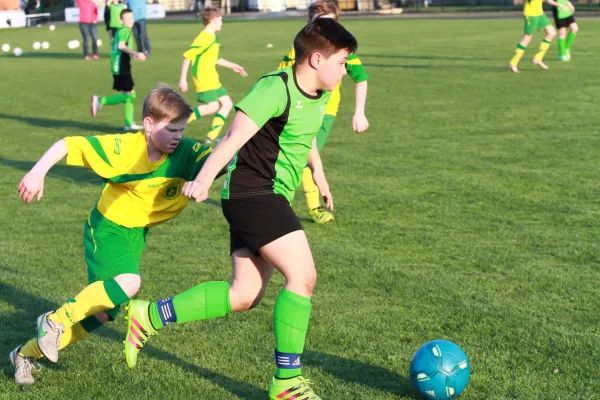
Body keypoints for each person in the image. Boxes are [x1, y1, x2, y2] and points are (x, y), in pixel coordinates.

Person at [123, 18, 358, 400]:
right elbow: (234, 136)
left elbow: (306, 134)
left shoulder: (315, 93)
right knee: (304, 277)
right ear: (317, 59)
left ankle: (149, 316)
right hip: (254, 194)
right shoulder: (275, 87)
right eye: (342, 62)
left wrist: (319, 174)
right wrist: (203, 178)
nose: (344, 69)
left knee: (244, 294)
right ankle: (287, 383)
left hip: (269, 195)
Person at [9, 86, 218, 385]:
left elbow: (224, 159)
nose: (178, 136)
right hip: (107, 228)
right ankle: (54, 321)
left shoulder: (184, 152)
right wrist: (37, 172)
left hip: (135, 234)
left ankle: (25, 355)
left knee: (105, 313)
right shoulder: (124, 149)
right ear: (147, 124)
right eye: (171, 129)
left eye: (182, 129)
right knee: (130, 283)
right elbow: (68, 143)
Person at [277, 0, 369, 224]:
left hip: (323, 111)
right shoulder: (297, 50)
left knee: (305, 156)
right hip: (294, 110)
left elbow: (361, 78)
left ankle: (312, 207)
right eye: (320, 22)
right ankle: (279, 203)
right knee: (292, 157)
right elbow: (281, 78)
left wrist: (359, 112)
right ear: (309, 24)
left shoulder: (342, 50)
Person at [179, 7, 247, 145]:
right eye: (221, 20)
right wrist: (182, 79)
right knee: (212, 106)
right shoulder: (204, 38)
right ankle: (181, 119)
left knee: (227, 104)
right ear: (214, 20)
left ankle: (211, 137)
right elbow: (187, 56)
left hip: (212, 77)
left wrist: (233, 65)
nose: (222, 23)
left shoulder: (212, 37)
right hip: (203, 77)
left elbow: (215, 59)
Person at [91, 9, 146, 131]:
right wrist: (136, 53)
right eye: (127, 18)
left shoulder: (122, 30)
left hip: (120, 65)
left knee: (129, 94)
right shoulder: (124, 30)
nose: (130, 20)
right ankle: (100, 100)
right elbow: (121, 46)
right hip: (121, 66)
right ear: (121, 20)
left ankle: (128, 124)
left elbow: (118, 47)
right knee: (130, 95)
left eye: (131, 17)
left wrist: (133, 55)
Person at [508, 0, 569, 73]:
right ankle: (513, 63)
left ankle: (538, 59)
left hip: (540, 14)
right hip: (531, 14)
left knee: (551, 32)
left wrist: (560, 5)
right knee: (527, 38)